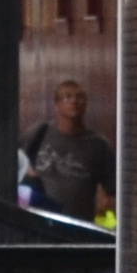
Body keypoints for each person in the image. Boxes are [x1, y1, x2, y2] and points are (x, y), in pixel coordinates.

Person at [23, 80, 115, 223]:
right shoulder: (38, 134)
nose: (74, 101)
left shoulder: (98, 145)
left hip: (79, 227)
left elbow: (112, 191)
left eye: (79, 97)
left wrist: (107, 222)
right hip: (38, 223)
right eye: (67, 96)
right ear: (57, 104)